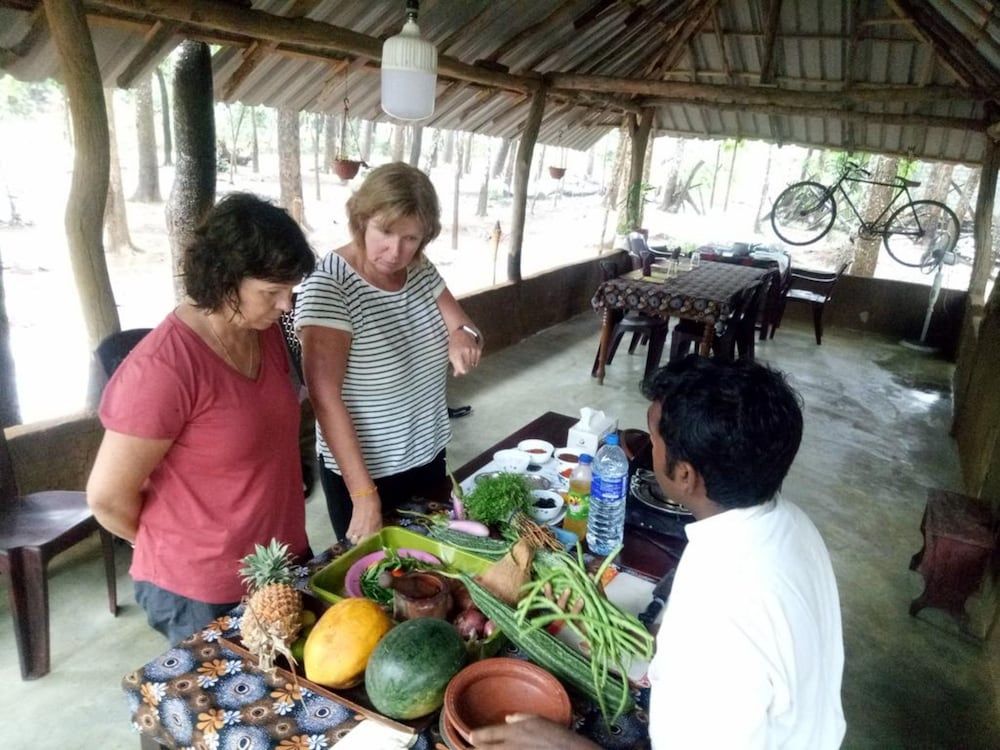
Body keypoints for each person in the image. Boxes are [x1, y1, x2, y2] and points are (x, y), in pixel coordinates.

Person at [471, 356, 845, 749]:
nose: (646, 450)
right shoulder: (787, 524)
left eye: (652, 440)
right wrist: (618, 627)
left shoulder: (719, 616)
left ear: (685, 475)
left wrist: (561, 745)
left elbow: (719, 646)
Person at [86, 193, 316, 645]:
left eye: (291, 290)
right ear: (224, 279)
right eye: (271, 292)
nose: (286, 305)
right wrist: (179, 548)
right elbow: (107, 498)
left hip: (278, 561)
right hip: (202, 590)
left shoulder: (263, 331)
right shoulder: (163, 369)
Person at [295, 162, 482, 545]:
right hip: (368, 474)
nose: (395, 251)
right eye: (385, 232)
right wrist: (364, 496)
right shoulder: (330, 287)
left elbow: (464, 326)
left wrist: (463, 337)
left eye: (411, 238)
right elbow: (325, 399)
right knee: (377, 587)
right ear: (361, 219)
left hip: (427, 453)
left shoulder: (419, 268)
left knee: (431, 573)